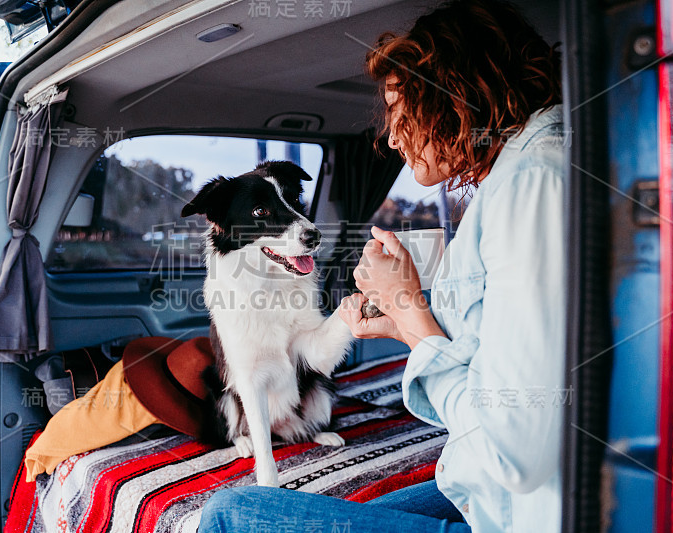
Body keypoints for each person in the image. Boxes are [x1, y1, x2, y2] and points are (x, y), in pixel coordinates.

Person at [198, 0, 566, 531]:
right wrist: (403, 324)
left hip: (520, 511)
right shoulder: (518, 176)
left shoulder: (531, 185)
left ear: (454, 98)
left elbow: (518, 446)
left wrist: (409, 308)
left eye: (401, 114)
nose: (392, 138)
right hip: (488, 484)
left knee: (231, 513)